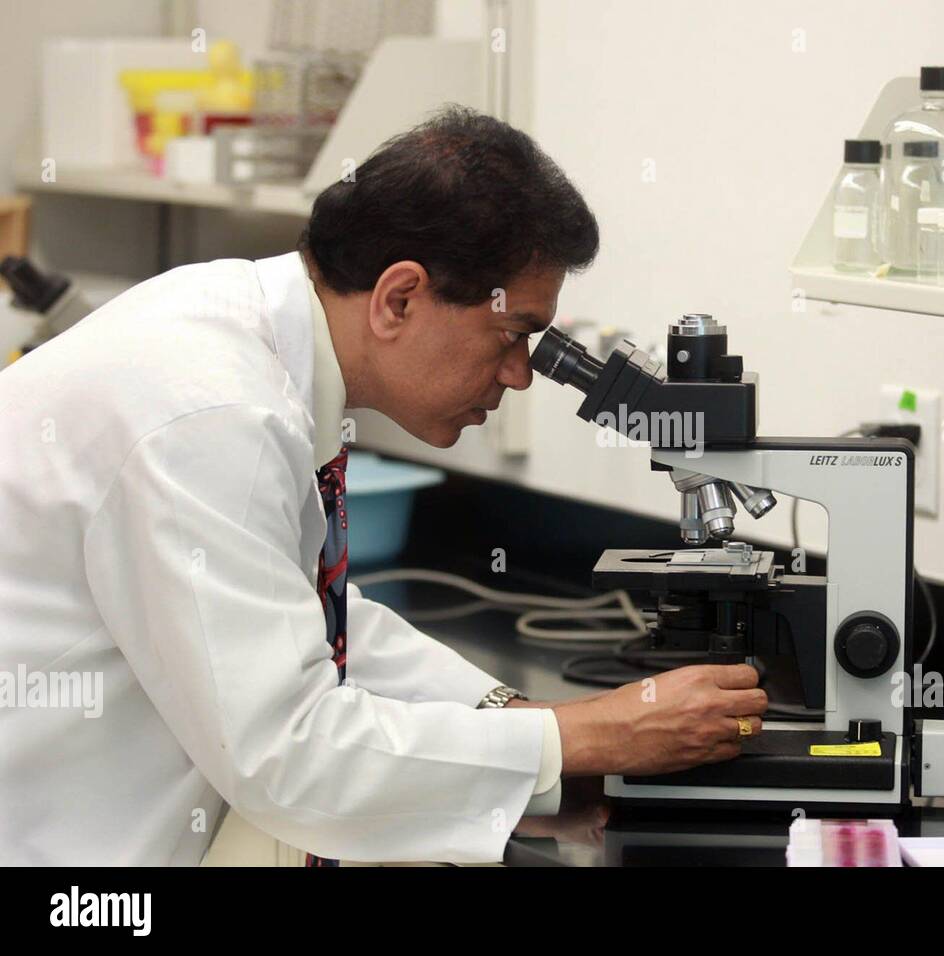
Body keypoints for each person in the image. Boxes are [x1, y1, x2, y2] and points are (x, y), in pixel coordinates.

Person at [0, 106, 767, 865]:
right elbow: (290, 758)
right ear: (398, 299)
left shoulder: (258, 343)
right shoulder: (211, 412)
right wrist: (587, 736)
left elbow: (309, 618)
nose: (521, 374)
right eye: (511, 333)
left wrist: (520, 725)